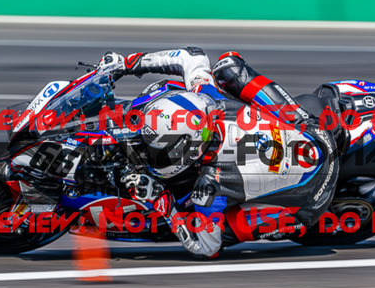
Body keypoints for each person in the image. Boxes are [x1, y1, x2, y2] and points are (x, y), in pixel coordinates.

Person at [97, 47, 341, 258]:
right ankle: (299, 115)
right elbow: (191, 55)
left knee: (212, 227)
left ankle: (297, 218)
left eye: (158, 152)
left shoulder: (209, 185)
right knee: (228, 66)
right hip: (311, 129)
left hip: (313, 197)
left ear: (187, 152)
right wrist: (125, 64)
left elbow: (206, 248)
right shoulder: (206, 96)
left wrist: (163, 202)